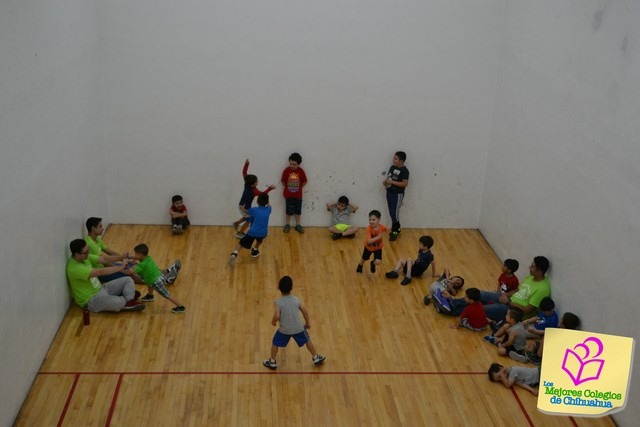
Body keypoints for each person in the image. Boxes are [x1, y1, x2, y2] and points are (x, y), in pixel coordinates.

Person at [263, 276, 326, 370]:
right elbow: (305, 312)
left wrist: (273, 322)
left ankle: (272, 361)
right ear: (291, 287)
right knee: (307, 340)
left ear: (279, 288)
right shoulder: (296, 299)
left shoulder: (278, 302)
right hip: (298, 328)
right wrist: (307, 322)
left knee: (275, 342)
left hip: (284, 330)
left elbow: (277, 315)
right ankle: (315, 357)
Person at [66, 239, 145, 312]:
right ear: (76, 254)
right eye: (85, 252)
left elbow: (104, 259)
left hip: (101, 288)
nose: (88, 253)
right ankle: (126, 298)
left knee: (128, 279)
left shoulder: (84, 258)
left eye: (88, 250)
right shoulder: (75, 268)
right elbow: (100, 272)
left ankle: (129, 300)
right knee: (118, 302)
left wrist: (121, 257)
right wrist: (121, 267)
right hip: (91, 300)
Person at [126, 244, 185, 314]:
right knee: (149, 284)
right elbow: (138, 259)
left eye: (136, 254)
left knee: (167, 295)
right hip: (157, 276)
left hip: (156, 282)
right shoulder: (147, 258)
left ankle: (180, 307)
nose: (134, 255)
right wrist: (129, 257)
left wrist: (126, 264)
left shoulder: (141, 265)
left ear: (141, 255)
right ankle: (150, 295)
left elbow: (131, 271)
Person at [233, 159, 276, 239]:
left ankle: (237, 223)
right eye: (256, 181)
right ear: (252, 184)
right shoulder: (254, 191)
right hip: (244, 208)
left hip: (242, 205)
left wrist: (246, 164)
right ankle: (239, 233)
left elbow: (244, 172)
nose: (257, 182)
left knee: (250, 217)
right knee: (249, 219)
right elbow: (263, 194)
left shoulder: (247, 183)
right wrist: (269, 188)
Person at [228, 193, 272, 267]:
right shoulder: (269, 209)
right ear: (267, 202)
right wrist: (268, 202)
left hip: (252, 232)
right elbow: (269, 205)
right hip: (263, 233)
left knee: (241, 243)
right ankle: (255, 250)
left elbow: (245, 212)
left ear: (257, 201)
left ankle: (234, 253)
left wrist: (242, 208)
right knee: (259, 239)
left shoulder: (253, 210)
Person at [84, 217, 129, 283]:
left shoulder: (97, 240)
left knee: (131, 266)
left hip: (104, 266)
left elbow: (111, 252)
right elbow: (104, 262)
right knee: (127, 275)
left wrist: (125, 259)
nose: (103, 228)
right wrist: (120, 269)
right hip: (100, 273)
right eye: (100, 226)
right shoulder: (89, 243)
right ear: (93, 228)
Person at [383, 151, 409, 241]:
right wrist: (385, 182)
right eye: (393, 158)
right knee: (391, 212)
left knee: (395, 213)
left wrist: (392, 182)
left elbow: (405, 184)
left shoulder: (405, 171)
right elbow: (389, 178)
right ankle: (397, 229)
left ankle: (395, 230)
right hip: (389, 193)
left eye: (395, 159)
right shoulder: (392, 167)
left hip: (398, 195)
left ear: (401, 161)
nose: (393, 160)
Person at [281, 152, 307, 233]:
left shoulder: (301, 171)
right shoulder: (286, 170)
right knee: (288, 211)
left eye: (294, 164)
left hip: (298, 196)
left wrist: (298, 188)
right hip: (289, 195)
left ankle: (298, 225)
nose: (292, 166)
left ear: (298, 164)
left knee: (297, 211)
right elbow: (283, 182)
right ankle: (287, 224)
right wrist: (290, 188)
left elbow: (304, 181)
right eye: (291, 164)